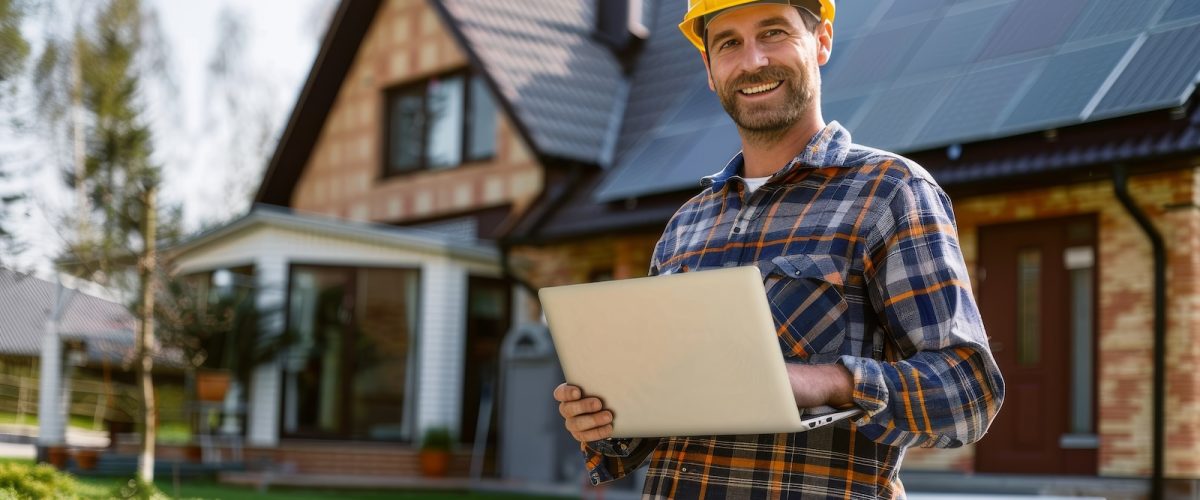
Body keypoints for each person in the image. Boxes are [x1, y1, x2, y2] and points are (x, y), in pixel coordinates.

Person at [553, 0, 1005, 497]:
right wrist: (603, 420)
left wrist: (829, 382)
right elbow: (658, 419)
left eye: (773, 33)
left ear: (822, 41)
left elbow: (968, 393)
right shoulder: (685, 227)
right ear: (709, 69)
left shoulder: (889, 193)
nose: (752, 62)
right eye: (729, 43)